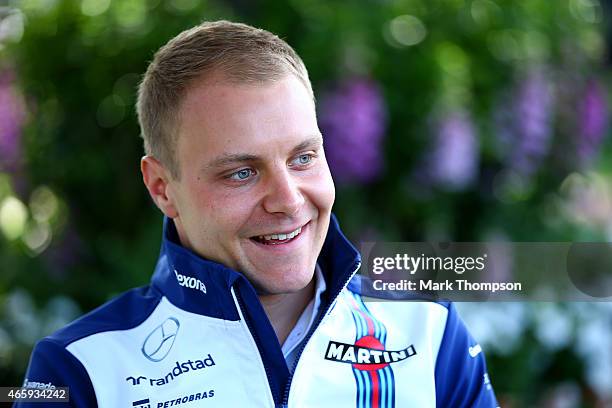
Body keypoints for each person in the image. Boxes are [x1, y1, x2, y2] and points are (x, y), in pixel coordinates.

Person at [17, 20, 499, 407]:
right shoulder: (80, 371)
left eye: (303, 158)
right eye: (241, 173)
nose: (288, 200)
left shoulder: (427, 330)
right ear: (162, 188)